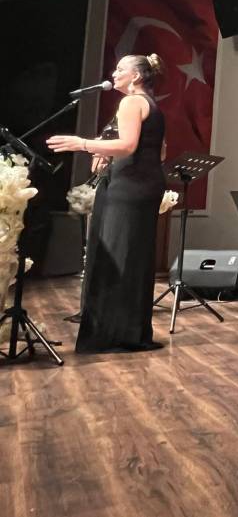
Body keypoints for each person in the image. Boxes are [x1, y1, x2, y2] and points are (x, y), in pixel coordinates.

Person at [47, 53, 167, 353]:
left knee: (115, 256)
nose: (114, 73)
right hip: (142, 186)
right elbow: (158, 151)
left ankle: (111, 333)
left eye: (120, 69)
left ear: (136, 76)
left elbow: (127, 145)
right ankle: (129, 330)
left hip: (128, 189)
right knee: (131, 258)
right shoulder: (150, 105)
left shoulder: (130, 102)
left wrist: (82, 143)